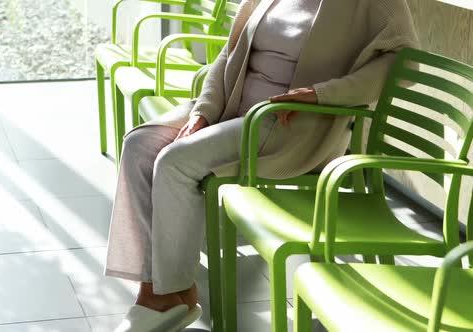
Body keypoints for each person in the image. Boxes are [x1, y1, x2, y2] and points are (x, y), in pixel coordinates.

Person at [106, 0, 420, 330]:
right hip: (232, 106)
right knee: (139, 146)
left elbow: (405, 64)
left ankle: (165, 296)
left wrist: (321, 94)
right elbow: (229, 54)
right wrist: (203, 112)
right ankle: (163, 291)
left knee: (175, 161)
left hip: (291, 126)